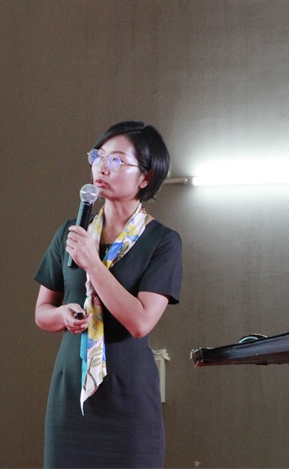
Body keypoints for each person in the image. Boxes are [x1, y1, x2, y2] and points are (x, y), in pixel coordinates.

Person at [34, 121, 183, 468]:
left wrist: (93, 264)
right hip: (70, 399)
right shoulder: (73, 233)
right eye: (98, 156)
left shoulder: (162, 241)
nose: (102, 167)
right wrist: (62, 315)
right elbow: (42, 311)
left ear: (145, 177)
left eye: (116, 160)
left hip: (128, 401)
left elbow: (140, 322)